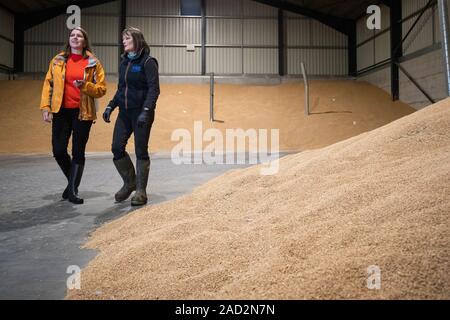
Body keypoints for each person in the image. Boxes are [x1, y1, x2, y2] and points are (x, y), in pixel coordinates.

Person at [40, 27, 107, 204]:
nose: (75, 38)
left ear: (85, 41)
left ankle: (72, 190)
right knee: (59, 150)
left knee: (78, 151)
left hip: (83, 112)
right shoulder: (58, 60)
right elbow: (49, 84)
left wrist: (85, 85)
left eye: (79, 36)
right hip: (61, 111)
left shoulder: (93, 62)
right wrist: (46, 106)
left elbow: (101, 89)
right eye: (72, 35)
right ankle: (72, 184)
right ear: (69, 39)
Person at [102, 27, 160, 206]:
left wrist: (146, 111)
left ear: (137, 40)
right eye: (123, 39)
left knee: (141, 150)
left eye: (127, 39)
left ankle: (141, 191)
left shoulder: (148, 62)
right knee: (116, 147)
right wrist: (111, 105)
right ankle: (130, 182)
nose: (123, 42)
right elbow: (121, 89)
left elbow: (154, 89)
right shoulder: (124, 62)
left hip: (142, 113)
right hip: (125, 113)